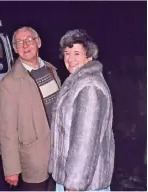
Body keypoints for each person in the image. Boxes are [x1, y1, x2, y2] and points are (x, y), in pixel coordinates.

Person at [48, 29, 115, 191]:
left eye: (76, 53)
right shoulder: (77, 81)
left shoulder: (89, 86)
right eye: (66, 53)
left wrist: (74, 184)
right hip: (74, 178)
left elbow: (85, 139)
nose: (70, 59)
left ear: (89, 56)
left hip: (83, 183)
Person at [0, 26, 61, 191]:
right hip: (34, 156)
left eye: (29, 40)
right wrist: (11, 169)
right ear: (15, 49)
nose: (25, 45)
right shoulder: (10, 83)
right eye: (19, 42)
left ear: (38, 42)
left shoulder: (51, 70)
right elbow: (7, 129)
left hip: (59, 150)